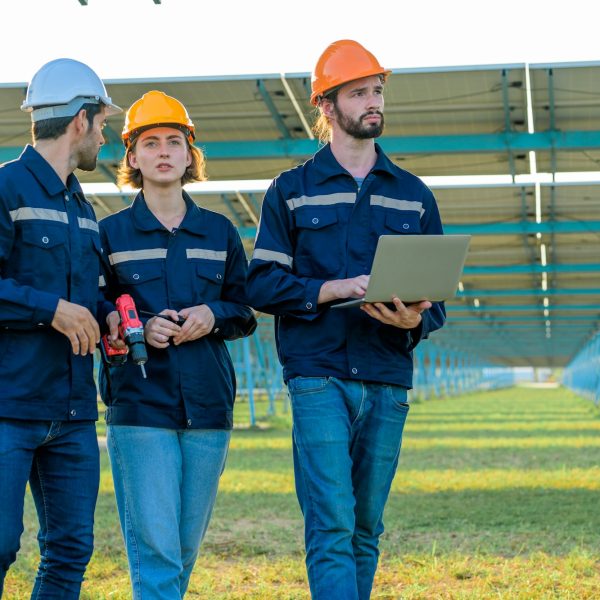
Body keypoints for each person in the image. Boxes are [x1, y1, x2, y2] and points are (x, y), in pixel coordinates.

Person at [246, 40, 446, 599]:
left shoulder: (414, 196)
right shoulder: (290, 191)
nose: (372, 100)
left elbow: (439, 302)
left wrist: (413, 321)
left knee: (365, 527)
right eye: (358, 92)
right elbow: (261, 283)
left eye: (377, 90)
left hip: (387, 375)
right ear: (327, 107)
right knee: (332, 522)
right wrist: (331, 289)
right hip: (318, 373)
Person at [98, 90, 257, 599]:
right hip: (141, 406)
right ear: (132, 157)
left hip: (208, 407)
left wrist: (213, 315)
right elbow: (100, 315)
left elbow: (244, 310)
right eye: (150, 142)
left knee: (183, 548)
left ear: (190, 154)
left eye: (174, 141)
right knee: (157, 552)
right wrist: (141, 326)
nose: (163, 151)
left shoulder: (219, 232)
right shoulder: (109, 235)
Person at [0, 58, 122, 598]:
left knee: (70, 550)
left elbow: (84, 295)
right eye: (103, 125)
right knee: (0, 545)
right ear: (80, 120)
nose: (105, 137)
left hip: (72, 413)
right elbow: (50, 301)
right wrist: (50, 309)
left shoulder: (83, 206)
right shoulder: (6, 187)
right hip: (8, 407)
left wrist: (105, 314)